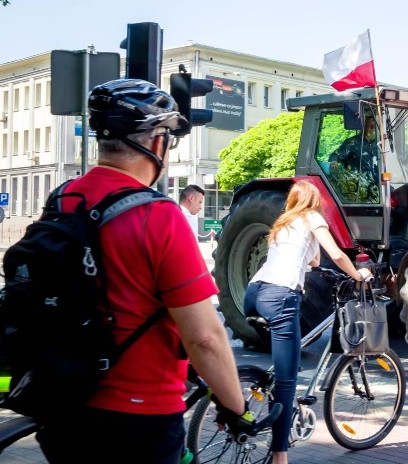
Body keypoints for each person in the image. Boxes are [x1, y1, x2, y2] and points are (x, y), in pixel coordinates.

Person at [35, 79, 250, 464]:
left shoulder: (64, 197)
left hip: (63, 401)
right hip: (139, 415)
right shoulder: (159, 216)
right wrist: (236, 408)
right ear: (156, 142)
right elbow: (204, 337)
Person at [243, 180, 372, 464]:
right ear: (314, 202)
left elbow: (313, 261)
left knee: (282, 363)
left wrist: (314, 261)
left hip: (254, 294)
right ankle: (280, 456)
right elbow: (336, 254)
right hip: (280, 296)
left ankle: (260, 385)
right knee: (287, 384)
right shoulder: (312, 217)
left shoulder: (282, 223)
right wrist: (356, 275)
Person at [329, 113, 379, 181]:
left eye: (375, 126)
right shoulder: (352, 143)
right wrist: (334, 163)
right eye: (371, 126)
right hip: (359, 185)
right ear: (364, 126)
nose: (373, 129)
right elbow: (335, 155)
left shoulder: (380, 144)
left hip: (377, 185)